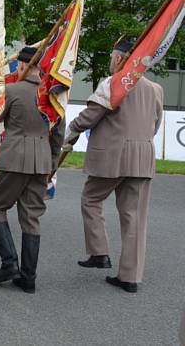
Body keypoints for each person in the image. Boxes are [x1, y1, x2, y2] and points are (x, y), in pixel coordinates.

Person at [63, 36, 163, 293]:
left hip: (112, 156)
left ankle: (99, 252)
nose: (110, 61)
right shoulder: (156, 89)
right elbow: (155, 124)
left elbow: (90, 116)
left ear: (119, 57)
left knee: (91, 199)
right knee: (135, 217)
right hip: (143, 157)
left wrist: (71, 132)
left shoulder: (114, 83)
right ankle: (130, 277)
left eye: (111, 57)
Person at [0, 46, 64, 294]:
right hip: (41, 162)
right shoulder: (51, 96)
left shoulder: (12, 91)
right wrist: (51, 163)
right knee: (31, 217)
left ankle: (9, 263)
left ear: (22, 66)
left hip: (13, 159)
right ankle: (28, 277)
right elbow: (58, 135)